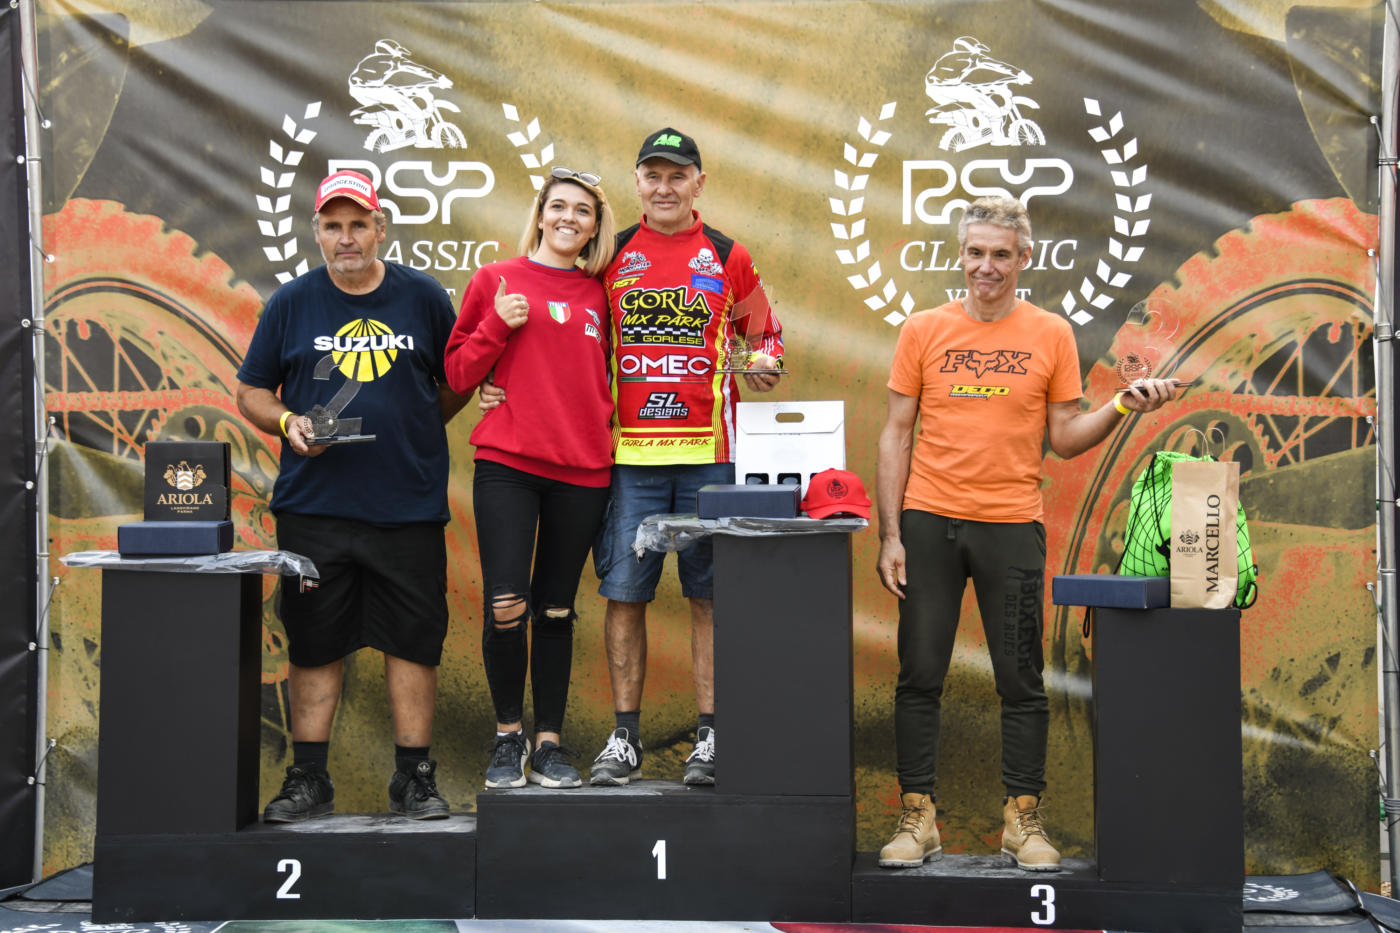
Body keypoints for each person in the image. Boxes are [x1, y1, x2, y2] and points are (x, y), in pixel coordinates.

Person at [873, 195, 1179, 870]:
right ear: (961, 254)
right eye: (975, 252)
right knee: (919, 674)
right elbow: (896, 434)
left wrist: (1121, 405)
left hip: (1011, 524)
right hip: (929, 520)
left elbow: (1064, 437)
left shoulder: (1050, 333)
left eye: (1001, 255)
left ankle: (1022, 819)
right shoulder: (923, 329)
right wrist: (891, 534)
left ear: (1024, 258)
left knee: (1021, 678)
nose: (986, 266)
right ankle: (918, 816)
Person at [235, 169, 467, 821]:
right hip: (314, 508)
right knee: (314, 641)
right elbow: (250, 389)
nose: (346, 237)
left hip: (407, 507)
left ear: (380, 228)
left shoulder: (423, 296)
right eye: (333, 225)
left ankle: (413, 778)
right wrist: (287, 421)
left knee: (413, 642)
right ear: (316, 232)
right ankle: (309, 777)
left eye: (358, 224)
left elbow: (457, 378)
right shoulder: (291, 302)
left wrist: (416, 426)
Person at [588, 126, 783, 786]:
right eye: (653, 175)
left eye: (678, 175)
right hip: (630, 458)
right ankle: (624, 738)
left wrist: (759, 362)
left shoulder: (727, 254)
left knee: (710, 598)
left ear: (699, 182)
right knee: (624, 595)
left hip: (711, 457)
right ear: (637, 182)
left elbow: (766, 339)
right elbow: (576, 343)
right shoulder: (610, 253)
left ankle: (712, 736)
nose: (665, 187)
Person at [444, 167, 617, 790]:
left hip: (585, 470)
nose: (569, 218)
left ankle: (548, 745)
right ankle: (507, 738)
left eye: (583, 211)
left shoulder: (603, 294)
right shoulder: (496, 280)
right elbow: (458, 374)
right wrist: (498, 325)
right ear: (541, 214)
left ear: (595, 228)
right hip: (508, 465)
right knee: (506, 605)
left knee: (556, 609)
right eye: (559, 207)